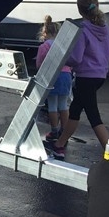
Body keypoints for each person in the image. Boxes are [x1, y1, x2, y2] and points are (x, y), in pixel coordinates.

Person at [45, 0, 109, 160]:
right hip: (100, 76)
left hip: (86, 77)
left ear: (80, 10)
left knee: (93, 115)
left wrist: (63, 59)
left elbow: (76, 58)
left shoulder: (82, 30)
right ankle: (59, 144)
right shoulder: (105, 28)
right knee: (75, 111)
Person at [36, 15, 72, 143]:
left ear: (44, 33)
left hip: (52, 76)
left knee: (52, 105)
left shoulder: (44, 46)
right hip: (66, 75)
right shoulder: (63, 45)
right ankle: (65, 130)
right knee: (63, 105)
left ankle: (54, 130)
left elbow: (40, 64)